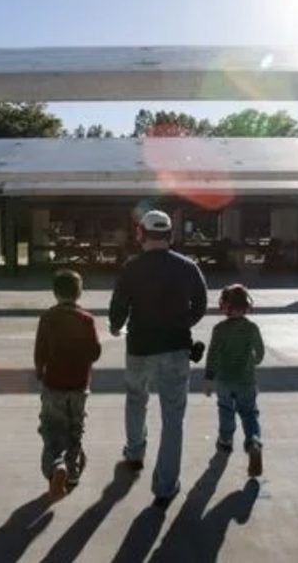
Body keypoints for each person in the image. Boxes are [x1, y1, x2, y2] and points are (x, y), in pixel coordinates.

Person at [109, 209, 208, 508]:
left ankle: (135, 452)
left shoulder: (131, 267)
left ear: (141, 234)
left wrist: (116, 325)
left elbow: (119, 305)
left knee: (136, 399)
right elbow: (201, 303)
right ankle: (165, 487)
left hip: (139, 347)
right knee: (173, 418)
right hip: (176, 349)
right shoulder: (188, 267)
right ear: (170, 235)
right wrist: (183, 324)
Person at [34, 269, 101, 500]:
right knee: (75, 429)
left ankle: (55, 467)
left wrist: (39, 372)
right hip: (79, 384)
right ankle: (71, 474)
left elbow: (39, 352)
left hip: (53, 383)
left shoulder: (47, 318)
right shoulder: (86, 319)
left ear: (55, 293)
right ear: (79, 293)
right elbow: (95, 352)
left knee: (52, 429)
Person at [204, 283, 265, 478]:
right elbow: (260, 352)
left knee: (225, 409)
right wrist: (254, 361)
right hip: (246, 380)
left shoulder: (219, 329)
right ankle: (253, 441)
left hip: (224, 380)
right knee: (249, 413)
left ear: (224, 306)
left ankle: (226, 440)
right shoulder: (252, 328)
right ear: (247, 306)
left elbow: (212, 354)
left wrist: (208, 378)